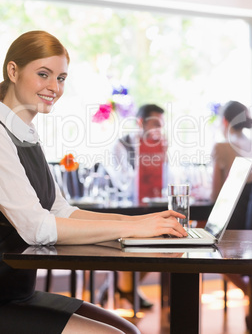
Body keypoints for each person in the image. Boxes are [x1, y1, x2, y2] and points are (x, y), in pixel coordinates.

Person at [0, 31, 188, 334]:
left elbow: (61, 210)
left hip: (18, 293)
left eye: (61, 78)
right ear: (13, 71)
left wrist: (142, 221)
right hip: (4, 299)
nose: (54, 87)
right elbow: (38, 228)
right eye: (43, 74)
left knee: (130, 330)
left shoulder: (26, 133)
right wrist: (134, 228)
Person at [210, 100, 252, 328]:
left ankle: (251, 295)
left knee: (209, 248)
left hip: (233, 218)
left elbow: (215, 193)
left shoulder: (222, 147)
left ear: (225, 121)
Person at [104, 104, 167, 309]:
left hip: (150, 205)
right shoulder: (121, 145)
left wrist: (161, 158)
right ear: (141, 122)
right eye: (155, 123)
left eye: (161, 124)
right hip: (124, 207)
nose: (158, 129)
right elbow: (123, 182)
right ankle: (124, 287)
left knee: (164, 236)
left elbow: (166, 182)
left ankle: (122, 287)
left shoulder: (161, 146)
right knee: (145, 235)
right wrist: (146, 159)